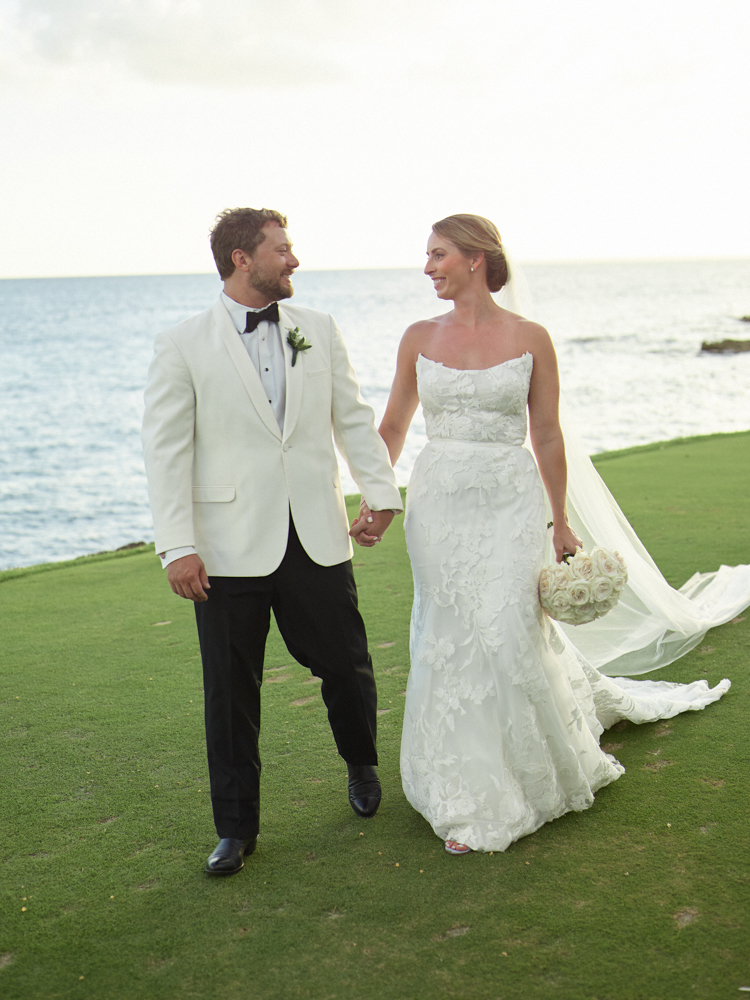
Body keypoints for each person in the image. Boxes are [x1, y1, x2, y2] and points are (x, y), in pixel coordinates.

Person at [362, 213, 734, 855]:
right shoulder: (418, 336)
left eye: (438, 254)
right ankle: (467, 789)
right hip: (440, 503)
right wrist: (375, 497)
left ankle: (529, 772)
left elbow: (549, 434)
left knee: (507, 629)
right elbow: (393, 425)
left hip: (511, 500)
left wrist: (560, 520)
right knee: (450, 632)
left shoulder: (531, 337)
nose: (428, 267)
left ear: (476, 258)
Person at [142, 207, 402, 875]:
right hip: (225, 549)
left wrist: (381, 494)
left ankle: (361, 765)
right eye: (282, 250)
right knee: (229, 691)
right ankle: (236, 829)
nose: (293, 260)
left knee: (346, 665)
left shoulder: (316, 329)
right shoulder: (181, 344)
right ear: (241, 259)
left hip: (315, 532)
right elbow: (166, 452)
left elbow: (352, 416)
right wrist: (177, 545)